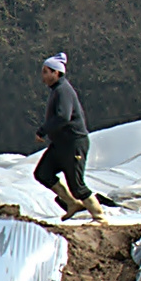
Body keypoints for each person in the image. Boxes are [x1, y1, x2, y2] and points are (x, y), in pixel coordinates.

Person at [33, 52, 105, 222]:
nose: (42, 76)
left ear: (56, 72)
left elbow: (63, 116)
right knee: (43, 173)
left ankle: (99, 217)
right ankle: (72, 204)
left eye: (45, 71)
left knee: (77, 185)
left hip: (73, 143)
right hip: (60, 144)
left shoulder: (63, 91)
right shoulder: (56, 90)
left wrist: (43, 130)